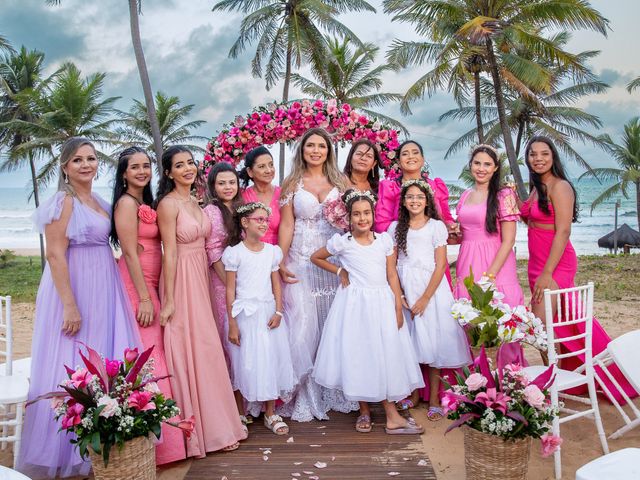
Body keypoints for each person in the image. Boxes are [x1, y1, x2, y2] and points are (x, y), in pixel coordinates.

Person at [17, 138, 142, 478]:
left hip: (104, 286)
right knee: (74, 361)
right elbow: (55, 254)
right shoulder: (63, 202)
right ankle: (69, 450)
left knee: (100, 358)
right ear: (64, 167)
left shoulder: (98, 200)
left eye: (90, 158)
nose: (86, 165)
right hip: (77, 290)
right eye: (77, 160)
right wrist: (69, 306)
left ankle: (102, 441)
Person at [520, 136, 637, 403]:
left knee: (540, 325)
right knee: (554, 325)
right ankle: (557, 379)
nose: (538, 159)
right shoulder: (537, 187)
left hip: (556, 261)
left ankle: (552, 383)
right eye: (533, 154)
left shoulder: (560, 187)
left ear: (553, 157)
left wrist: (548, 273)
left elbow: (563, 231)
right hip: (537, 261)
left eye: (544, 154)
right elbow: (531, 219)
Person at [156, 146, 247, 457]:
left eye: (190, 163)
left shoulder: (196, 202)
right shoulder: (168, 205)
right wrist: (168, 299)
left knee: (208, 347)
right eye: (179, 165)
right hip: (181, 278)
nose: (187, 169)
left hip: (202, 277)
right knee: (190, 349)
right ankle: (201, 433)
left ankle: (220, 423)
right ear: (168, 173)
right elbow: (169, 253)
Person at [312, 190, 424, 435]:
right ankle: (364, 410)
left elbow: (392, 274)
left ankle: (391, 414)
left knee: (382, 353)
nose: (362, 218)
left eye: (366, 213)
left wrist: (397, 304)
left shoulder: (384, 241)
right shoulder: (343, 242)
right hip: (355, 306)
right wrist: (340, 272)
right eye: (356, 214)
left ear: (373, 214)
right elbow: (316, 257)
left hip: (382, 301)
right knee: (359, 354)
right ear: (349, 218)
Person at [110, 146, 186, 464]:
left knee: (153, 357)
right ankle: (160, 446)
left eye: (146, 165)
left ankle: (160, 442)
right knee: (149, 359)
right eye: (135, 167)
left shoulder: (145, 202)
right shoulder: (126, 204)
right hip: (135, 286)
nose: (142, 171)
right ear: (124, 173)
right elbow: (129, 253)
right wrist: (144, 297)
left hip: (150, 285)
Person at [277, 127, 357, 421]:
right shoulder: (291, 183)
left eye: (321, 146)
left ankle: (335, 388)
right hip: (301, 256)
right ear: (302, 150)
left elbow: (354, 219)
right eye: (310, 146)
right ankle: (307, 392)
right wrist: (281, 259)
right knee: (305, 324)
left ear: (328, 151)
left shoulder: (341, 181)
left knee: (333, 322)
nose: (315, 151)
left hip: (333, 259)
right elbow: (286, 224)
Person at [388, 180, 471, 420]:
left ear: (427, 201)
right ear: (404, 202)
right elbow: (391, 265)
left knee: (433, 343)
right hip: (405, 289)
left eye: (419, 197)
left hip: (431, 291)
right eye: (410, 197)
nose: (415, 201)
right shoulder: (395, 228)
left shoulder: (436, 227)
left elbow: (441, 265)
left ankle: (434, 397)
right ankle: (414, 394)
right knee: (410, 344)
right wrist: (400, 295)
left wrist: (425, 298)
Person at [222, 202, 297, 435]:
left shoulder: (272, 252)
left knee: (270, 361)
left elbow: (276, 285)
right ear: (245, 223)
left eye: (266, 220)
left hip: (267, 315)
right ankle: (240, 414)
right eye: (259, 219)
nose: (264, 224)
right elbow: (230, 290)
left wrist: (278, 311)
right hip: (244, 317)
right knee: (242, 363)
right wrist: (232, 323)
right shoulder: (234, 253)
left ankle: (270, 413)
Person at [453, 144, 526, 369]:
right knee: (470, 321)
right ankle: (477, 382)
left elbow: (509, 240)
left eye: (487, 164)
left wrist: (490, 276)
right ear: (470, 166)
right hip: (467, 261)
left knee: (501, 321)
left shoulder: (504, 195)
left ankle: (509, 380)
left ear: (495, 168)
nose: (481, 168)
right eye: (477, 163)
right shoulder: (466, 195)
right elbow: (465, 234)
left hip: (496, 263)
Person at [203, 162, 243, 362]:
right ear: (213, 186)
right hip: (222, 279)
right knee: (227, 323)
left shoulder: (241, 208)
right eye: (222, 183)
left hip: (244, 275)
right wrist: (229, 283)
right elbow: (212, 249)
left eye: (231, 182)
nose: (228, 187)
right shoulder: (211, 211)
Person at [374, 140, 454, 233]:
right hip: (401, 244)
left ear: (423, 160)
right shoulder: (390, 188)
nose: (411, 156)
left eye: (415, 153)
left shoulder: (436, 186)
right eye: (405, 154)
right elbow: (381, 226)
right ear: (399, 162)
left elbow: (447, 219)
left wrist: (451, 226)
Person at [239, 146, 281, 244]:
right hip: (251, 253)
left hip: (279, 252)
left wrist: (281, 256)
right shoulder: (242, 197)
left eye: (271, 165)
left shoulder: (283, 194)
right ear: (250, 172)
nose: (269, 170)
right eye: (262, 166)